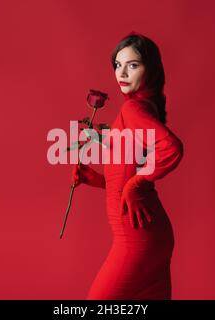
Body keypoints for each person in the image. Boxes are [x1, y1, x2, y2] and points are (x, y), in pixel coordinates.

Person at [71, 32, 184, 299]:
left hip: (137, 238)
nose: (121, 72)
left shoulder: (134, 110)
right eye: (118, 65)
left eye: (133, 65)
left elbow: (172, 148)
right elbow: (128, 169)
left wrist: (135, 184)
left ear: (150, 69)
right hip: (153, 235)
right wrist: (96, 179)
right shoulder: (143, 106)